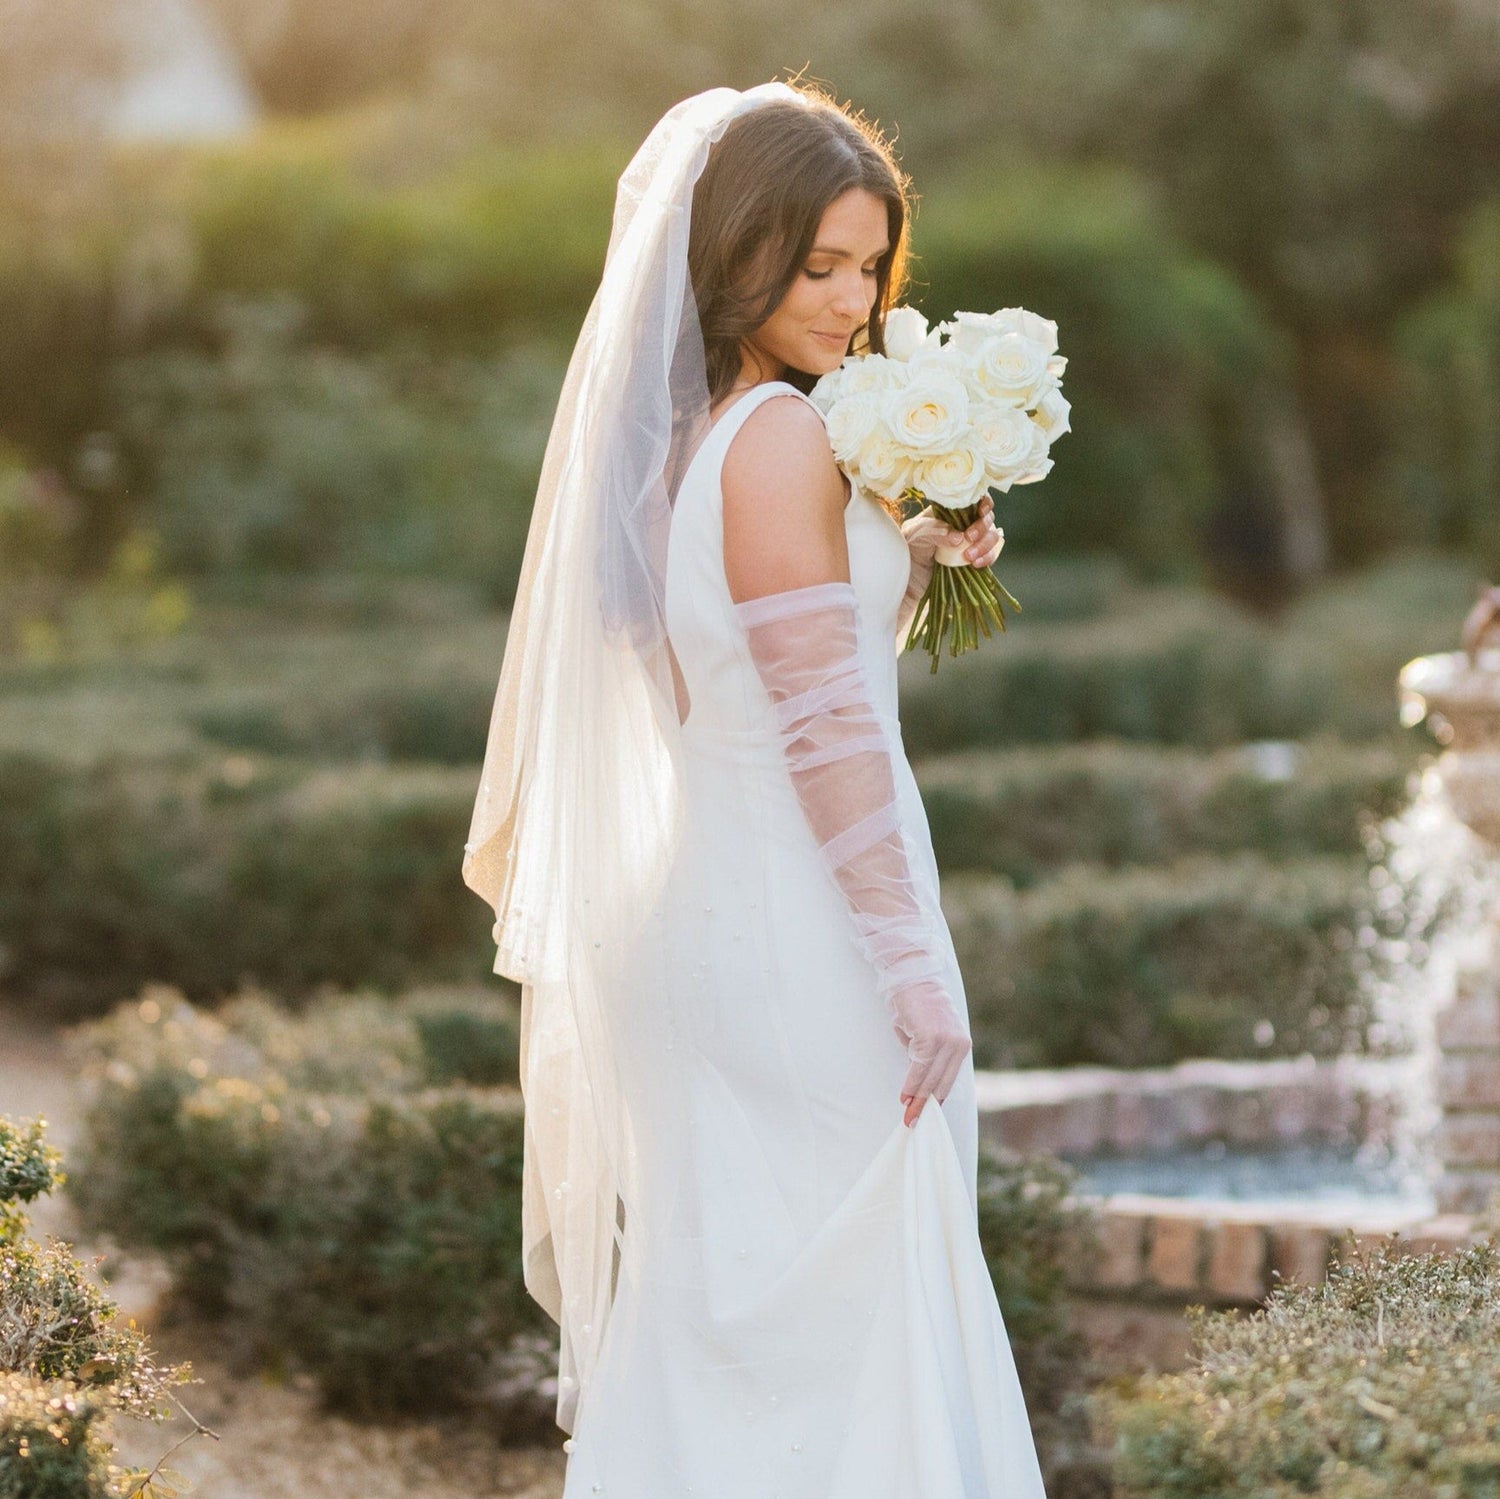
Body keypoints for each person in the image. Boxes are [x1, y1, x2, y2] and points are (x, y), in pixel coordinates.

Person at [462, 77, 1049, 1497]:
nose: (850, 300)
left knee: (728, 1324)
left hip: (700, 922)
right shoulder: (783, 443)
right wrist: (908, 957)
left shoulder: (676, 445)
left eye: (868, 266)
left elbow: (734, 671)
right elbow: (824, 725)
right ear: (736, 256)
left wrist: (910, 556)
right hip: (799, 929)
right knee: (861, 1312)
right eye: (816, 265)